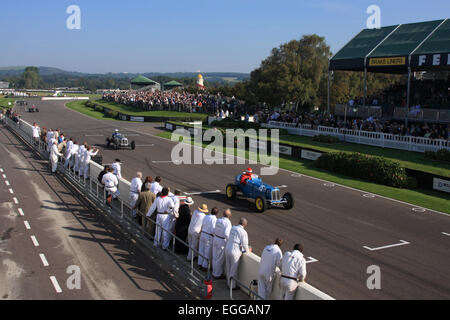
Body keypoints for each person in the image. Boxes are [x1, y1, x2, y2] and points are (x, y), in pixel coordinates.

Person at [225, 218, 251, 289]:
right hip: (235, 250)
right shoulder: (243, 232)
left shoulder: (233, 228)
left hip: (228, 247)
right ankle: (232, 286)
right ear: (244, 224)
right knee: (233, 269)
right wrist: (248, 251)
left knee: (228, 267)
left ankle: (228, 283)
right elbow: (245, 244)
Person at [212, 209, 232, 279]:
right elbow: (227, 234)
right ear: (229, 215)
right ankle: (217, 274)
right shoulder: (228, 223)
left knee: (214, 257)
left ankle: (214, 272)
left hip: (215, 238)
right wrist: (230, 240)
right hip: (221, 241)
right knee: (219, 258)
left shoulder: (218, 220)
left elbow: (214, 229)